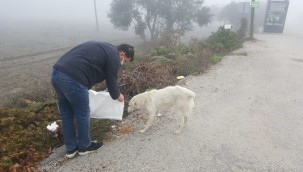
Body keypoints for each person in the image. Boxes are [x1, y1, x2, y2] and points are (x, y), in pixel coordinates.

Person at [51, 41, 134, 159]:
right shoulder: (114, 56)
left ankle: (71, 149)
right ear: (122, 54)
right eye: (125, 61)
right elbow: (111, 82)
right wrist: (118, 96)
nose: (123, 63)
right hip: (74, 78)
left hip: (57, 74)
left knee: (67, 114)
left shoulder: (106, 48)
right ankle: (84, 146)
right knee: (83, 113)